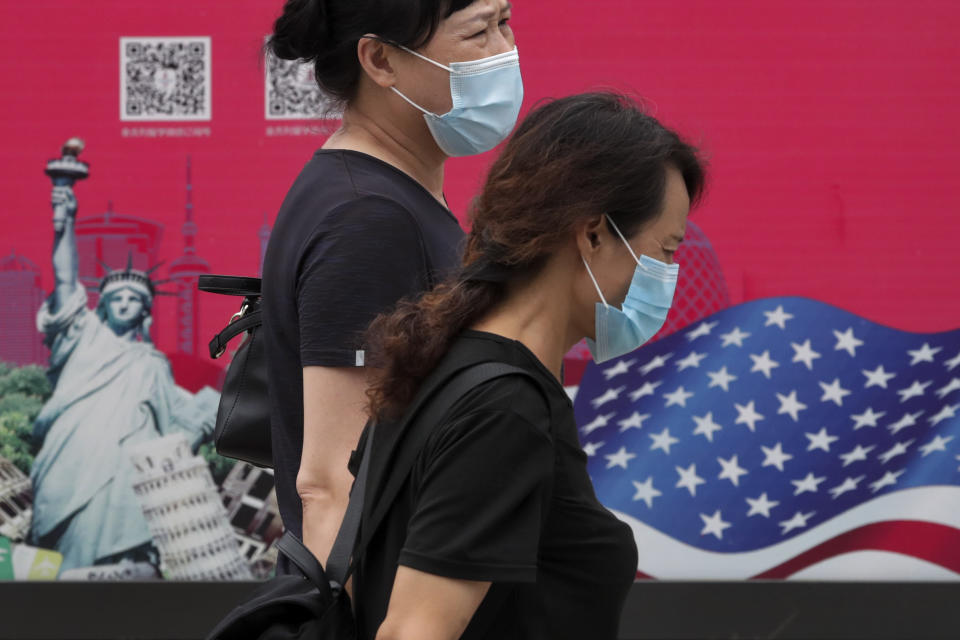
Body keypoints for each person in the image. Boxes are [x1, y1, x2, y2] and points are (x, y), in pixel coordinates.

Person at [356, 92, 706, 639]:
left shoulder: (448, 364)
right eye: (665, 250)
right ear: (592, 234)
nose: (669, 273)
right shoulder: (505, 408)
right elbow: (412, 630)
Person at [261, 0, 522, 569]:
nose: (505, 52)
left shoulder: (396, 194)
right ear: (380, 59)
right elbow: (332, 486)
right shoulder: (368, 219)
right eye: (479, 32)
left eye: (506, 24)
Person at [29, 185, 210, 572]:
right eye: (116, 298)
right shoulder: (83, 339)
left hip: (131, 467)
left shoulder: (152, 362)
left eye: (134, 298)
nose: (125, 303)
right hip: (76, 455)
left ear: (145, 310)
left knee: (128, 554)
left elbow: (179, 422)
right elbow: (64, 282)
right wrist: (65, 224)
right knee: (72, 548)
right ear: (103, 306)